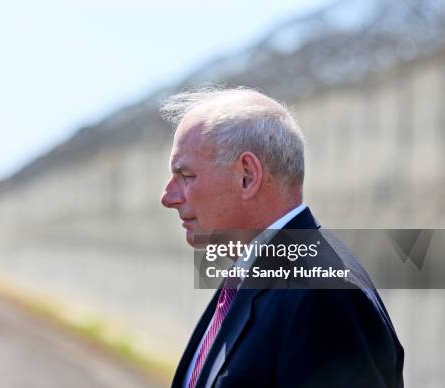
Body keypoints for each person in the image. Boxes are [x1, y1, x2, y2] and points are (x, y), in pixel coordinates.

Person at [159, 87, 404, 388]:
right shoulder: (255, 276)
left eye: (186, 176)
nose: (168, 196)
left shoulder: (323, 296)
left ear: (247, 176)